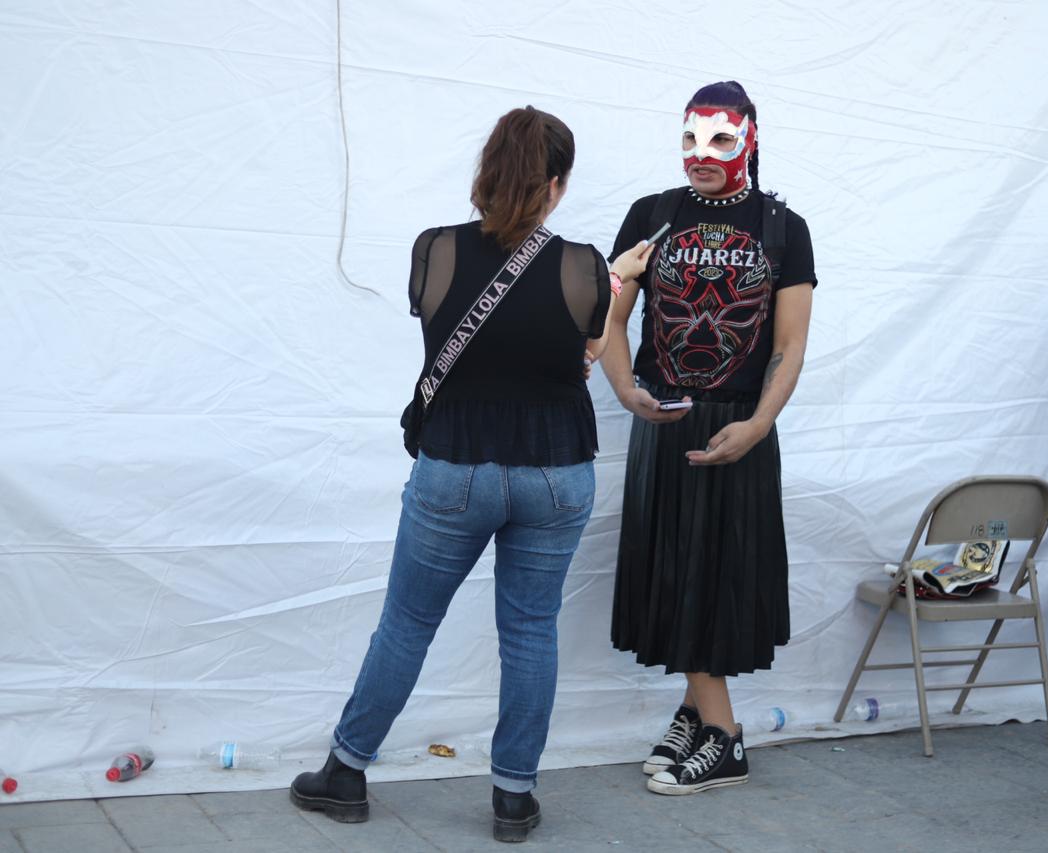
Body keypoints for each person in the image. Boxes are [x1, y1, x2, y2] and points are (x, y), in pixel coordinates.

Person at [288, 106, 653, 843]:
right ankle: (513, 797)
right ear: (557, 185)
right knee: (530, 630)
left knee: (408, 623)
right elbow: (583, 349)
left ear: (485, 172)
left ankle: (346, 771)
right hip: (555, 473)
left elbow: (449, 323)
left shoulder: (434, 250)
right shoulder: (585, 267)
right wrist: (617, 277)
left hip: (456, 466)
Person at [601, 81, 816, 796]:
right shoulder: (652, 214)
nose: (702, 153)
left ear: (749, 138)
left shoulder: (783, 227)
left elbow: (790, 344)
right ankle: (697, 716)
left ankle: (725, 738)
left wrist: (758, 425)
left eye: (720, 139)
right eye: (691, 137)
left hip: (739, 428)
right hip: (665, 426)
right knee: (673, 577)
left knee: (719, 579)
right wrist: (625, 388)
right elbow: (609, 312)